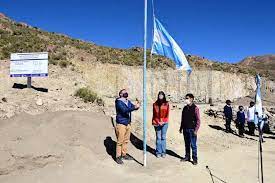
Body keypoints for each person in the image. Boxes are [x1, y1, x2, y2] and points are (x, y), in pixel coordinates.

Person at [115, 89, 140, 164]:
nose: (126, 93)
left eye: (126, 92)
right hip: (121, 123)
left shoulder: (127, 101)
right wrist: (134, 107)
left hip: (127, 123)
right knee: (120, 141)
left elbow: (132, 107)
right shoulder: (119, 102)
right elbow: (124, 110)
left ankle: (124, 154)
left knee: (126, 140)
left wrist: (137, 105)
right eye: (124, 93)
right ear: (120, 94)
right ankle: (118, 157)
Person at [180, 93, 201, 165]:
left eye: (187, 98)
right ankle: (187, 157)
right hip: (185, 129)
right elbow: (183, 119)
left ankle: (194, 159)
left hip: (192, 130)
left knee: (193, 145)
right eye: (186, 98)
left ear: (191, 99)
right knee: (187, 144)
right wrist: (181, 128)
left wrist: (196, 130)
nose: (186, 100)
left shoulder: (195, 108)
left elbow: (198, 120)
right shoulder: (185, 108)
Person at [152, 91, 170, 158]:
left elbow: (167, 114)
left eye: (162, 95)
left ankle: (163, 152)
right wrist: (158, 121)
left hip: (165, 123)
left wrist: (163, 121)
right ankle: (158, 152)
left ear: (164, 96)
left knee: (163, 137)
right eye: (159, 95)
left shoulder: (166, 104)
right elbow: (154, 115)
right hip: (157, 123)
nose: (160, 96)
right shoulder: (155, 104)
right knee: (158, 137)